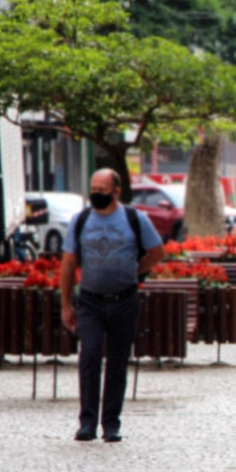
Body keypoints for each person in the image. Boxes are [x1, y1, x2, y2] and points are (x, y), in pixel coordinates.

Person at [60, 168, 165, 442]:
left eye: (102, 191)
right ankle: (87, 422)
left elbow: (157, 252)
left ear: (117, 191)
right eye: (93, 190)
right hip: (90, 301)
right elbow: (68, 263)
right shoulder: (81, 220)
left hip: (124, 300)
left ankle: (111, 424)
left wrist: (135, 271)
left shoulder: (133, 218)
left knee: (118, 363)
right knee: (90, 357)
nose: (96, 195)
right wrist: (65, 305)